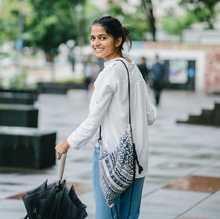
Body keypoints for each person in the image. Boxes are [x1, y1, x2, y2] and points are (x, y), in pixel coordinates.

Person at [55, 15, 157, 219]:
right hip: (137, 159)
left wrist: (68, 142)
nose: (96, 43)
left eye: (102, 37)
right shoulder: (133, 69)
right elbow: (151, 115)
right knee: (129, 216)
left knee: (106, 216)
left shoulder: (108, 73)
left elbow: (94, 120)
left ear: (117, 41)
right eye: (93, 38)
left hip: (110, 158)